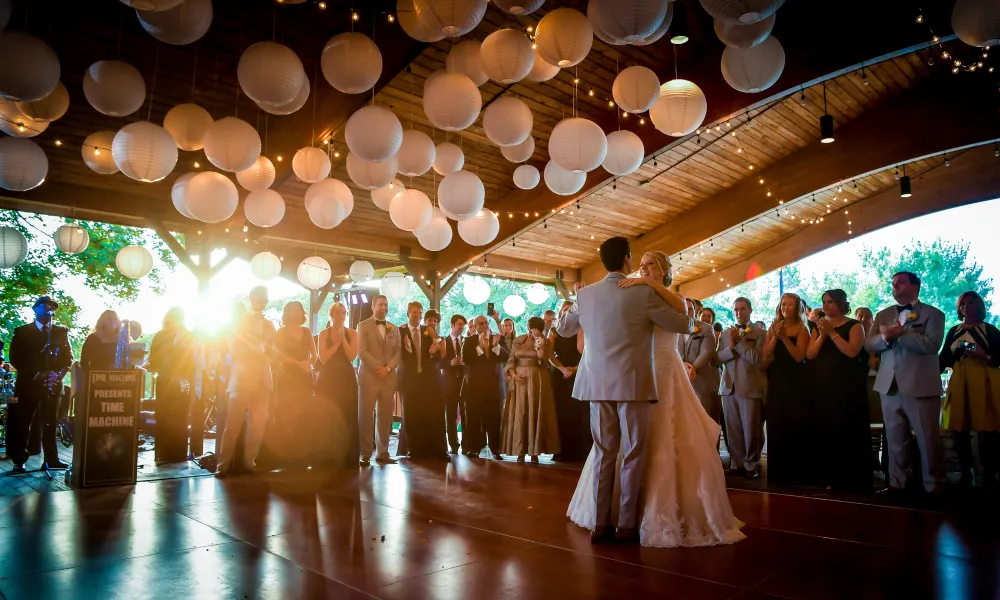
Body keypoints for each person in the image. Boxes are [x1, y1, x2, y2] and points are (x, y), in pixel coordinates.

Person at [565, 244, 743, 547]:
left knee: (605, 452)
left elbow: (565, 329)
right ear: (626, 259)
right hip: (634, 383)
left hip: (596, 384)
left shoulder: (585, 295)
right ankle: (626, 526)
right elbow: (683, 324)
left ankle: (600, 525)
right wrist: (696, 322)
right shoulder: (640, 293)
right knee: (633, 453)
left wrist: (574, 303)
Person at [864, 271, 946, 494]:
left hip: (920, 385)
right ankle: (896, 484)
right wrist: (884, 338)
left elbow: (931, 345)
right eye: (893, 283)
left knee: (927, 439)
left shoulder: (934, 314)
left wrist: (900, 335)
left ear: (915, 286)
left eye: (900, 282)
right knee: (894, 438)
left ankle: (934, 486)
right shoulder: (883, 314)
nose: (895, 286)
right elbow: (868, 344)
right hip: (888, 384)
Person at [807, 290, 872, 492]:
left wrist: (832, 334)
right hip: (824, 385)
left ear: (842, 304)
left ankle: (850, 478)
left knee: (847, 429)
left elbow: (852, 352)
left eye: (831, 302)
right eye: (824, 302)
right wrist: (821, 335)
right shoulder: (820, 327)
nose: (826, 306)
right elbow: (810, 354)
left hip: (847, 386)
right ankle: (827, 475)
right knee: (826, 429)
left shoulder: (854, 325)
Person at [939, 291, 1000, 487]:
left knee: (989, 428)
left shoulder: (989, 330)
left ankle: (990, 473)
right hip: (959, 379)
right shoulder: (954, 331)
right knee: (959, 427)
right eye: (962, 303)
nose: (966, 306)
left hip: (985, 379)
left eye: (971, 302)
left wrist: (983, 356)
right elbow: (943, 359)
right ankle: (966, 472)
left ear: (979, 306)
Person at [6, 296, 73, 473]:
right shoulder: (22, 332)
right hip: (28, 385)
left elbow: (68, 358)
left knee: (50, 422)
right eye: (45, 306)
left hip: (52, 384)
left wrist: (58, 375)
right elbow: (16, 358)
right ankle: (19, 460)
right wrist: (36, 374)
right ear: (36, 309)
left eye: (53, 307)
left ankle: (51, 459)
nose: (50, 309)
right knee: (22, 422)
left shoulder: (61, 332)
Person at [217, 286, 276, 477]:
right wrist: (259, 348)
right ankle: (222, 465)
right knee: (232, 425)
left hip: (263, 379)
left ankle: (250, 462)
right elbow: (235, 351)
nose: (264, 301)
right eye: (260, 298)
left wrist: (264, 350)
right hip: (241, 379)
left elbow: (273, 351)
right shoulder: (237, 324)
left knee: (257, 426)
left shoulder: (269, 325)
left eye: (266, 298)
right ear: (252, 299)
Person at [761, 293, 811, 485]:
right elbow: (766, 354)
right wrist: (775, 336)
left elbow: (799, 357)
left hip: (796, 381)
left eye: (790, 304)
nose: (785, 308)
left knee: (794, 423)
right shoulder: (774, 326)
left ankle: (796, 472)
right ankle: (777, 472)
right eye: (783, 304)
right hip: (777, 379)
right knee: (776, 422)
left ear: (797, 307)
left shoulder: (802, 328)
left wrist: (784, 338)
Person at [718, 297, 766, 478]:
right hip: (728, 386)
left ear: (750, 310)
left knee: (751, 427)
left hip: (750, 385)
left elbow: (756, 359)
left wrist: (738, 343)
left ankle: (752, 464)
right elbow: (717, 358)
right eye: (736, 309)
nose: (739, 312)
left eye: (742, 309)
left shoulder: (761, 333)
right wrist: (730, 347)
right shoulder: (724, 334)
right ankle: (736, 462)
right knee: (732, 428)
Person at [502, 316, 560, 462]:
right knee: (521, 412)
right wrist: (514, 375)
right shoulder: (518, 340)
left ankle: (535, 451)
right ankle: (520, 450)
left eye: (534, 328)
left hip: (538, 379)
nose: (531, 330)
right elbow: (510, 362)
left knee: (535, 412)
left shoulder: (545, 342)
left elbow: (544, 358)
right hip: (520, 381)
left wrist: (539, 343)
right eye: (530, 327)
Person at [266, 301, 316, 468]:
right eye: (292, 311)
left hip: (304, 377)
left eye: (298, 310)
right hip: (288, 377)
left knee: (304, 415)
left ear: (302, 313)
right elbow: (279, 355)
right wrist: (298, 363)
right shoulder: (281, 332)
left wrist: (307, 363)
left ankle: (303, 456)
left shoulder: (307, 331)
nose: (295, 313)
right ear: (287, 313)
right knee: (287, 415)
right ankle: (286, 457)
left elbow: (314, 355)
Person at [397, 302, 448, 460]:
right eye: (414, 312)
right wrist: (406, 348)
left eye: (420, 313)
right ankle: (414, 449)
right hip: (409, 379)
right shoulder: (400, 331)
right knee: (412, 415)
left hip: (429, 380)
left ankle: (438, 450)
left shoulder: (428, 331)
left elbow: (439, 357)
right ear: (408, 313)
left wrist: (433, 352)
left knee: (433, 414)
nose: (418, 315)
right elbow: (396, 355)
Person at [146, 307, 197, 464]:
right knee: (169, 416)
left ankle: (170, 454)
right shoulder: (165, 336)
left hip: (175, 381)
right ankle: (171, 454)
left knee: (172, 417)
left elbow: (192, 359)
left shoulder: (186, 336)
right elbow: (154, 359)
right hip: (170, 380)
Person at [356, 294, 401, 466]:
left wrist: (388, 368)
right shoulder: (363, 326)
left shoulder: (393, 328)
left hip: (388, 378)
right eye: (381, 304)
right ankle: (365, 453)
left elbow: (398, 352)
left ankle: (383, 452)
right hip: (369, 377)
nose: (384, 307)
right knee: (366, 416)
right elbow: (362, 351)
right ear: (373, 307)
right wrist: (379, 368)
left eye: (386, 304)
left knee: (385, 416)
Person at [316, 302, 359, 469]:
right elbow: (323, 358)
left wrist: (343, 341)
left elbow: (351, 356)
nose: (341, 315)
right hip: (328, 378)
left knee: (346, 414)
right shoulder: (323, 333)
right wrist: (335, 343)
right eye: (337, 312)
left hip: (346, 378)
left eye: (343, 312)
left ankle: (347, 456)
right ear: (331, 315)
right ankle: (326, 455)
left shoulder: (353, 333)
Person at [461, 315, 509, 458]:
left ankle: (496, 449)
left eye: (486, 323)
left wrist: (496, 346)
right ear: (475, 326)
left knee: (495, 419)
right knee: (474, 419)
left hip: (494, 386)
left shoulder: (498, 338)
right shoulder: (469, 341)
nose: (485, 325)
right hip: (475, 387)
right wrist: (480, 347)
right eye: (481, 323)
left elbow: (506, 356)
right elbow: (467, 359)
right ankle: (474, 448)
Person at [549, 300, 590, 462]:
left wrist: (574, 368)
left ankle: (581, 450)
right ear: (560, 313)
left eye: (570, 310)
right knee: (562, 411)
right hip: (559, 374)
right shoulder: (554, 331)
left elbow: (587, 351)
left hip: (580, 370)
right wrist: (562, 368)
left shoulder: (583, 328)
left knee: (579, 410)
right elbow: (549, 355)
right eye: (564, 311)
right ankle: (563, 450)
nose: (567, 314)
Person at [680, 302, 721, 426]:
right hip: (682, 382)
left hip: (704, 382)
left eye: (691, 309)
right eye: (684, 308)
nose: (688, 311)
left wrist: (693, 368)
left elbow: (706, 352)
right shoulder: (674, 328)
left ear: (695, 311)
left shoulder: (706, 328)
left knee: (709, 422)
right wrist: (682, 364)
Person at [441, 314, 467, 454]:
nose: (462, 327)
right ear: (452, 325)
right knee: (450, 416)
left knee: (466, 414)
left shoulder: (467, 341)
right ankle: (453, 444)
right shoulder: (443, 341)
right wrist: (449, 363)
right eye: (459, 324)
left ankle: (466, 444)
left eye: (463, 324)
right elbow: (438, 363)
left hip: (464, 383)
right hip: (449, 383)